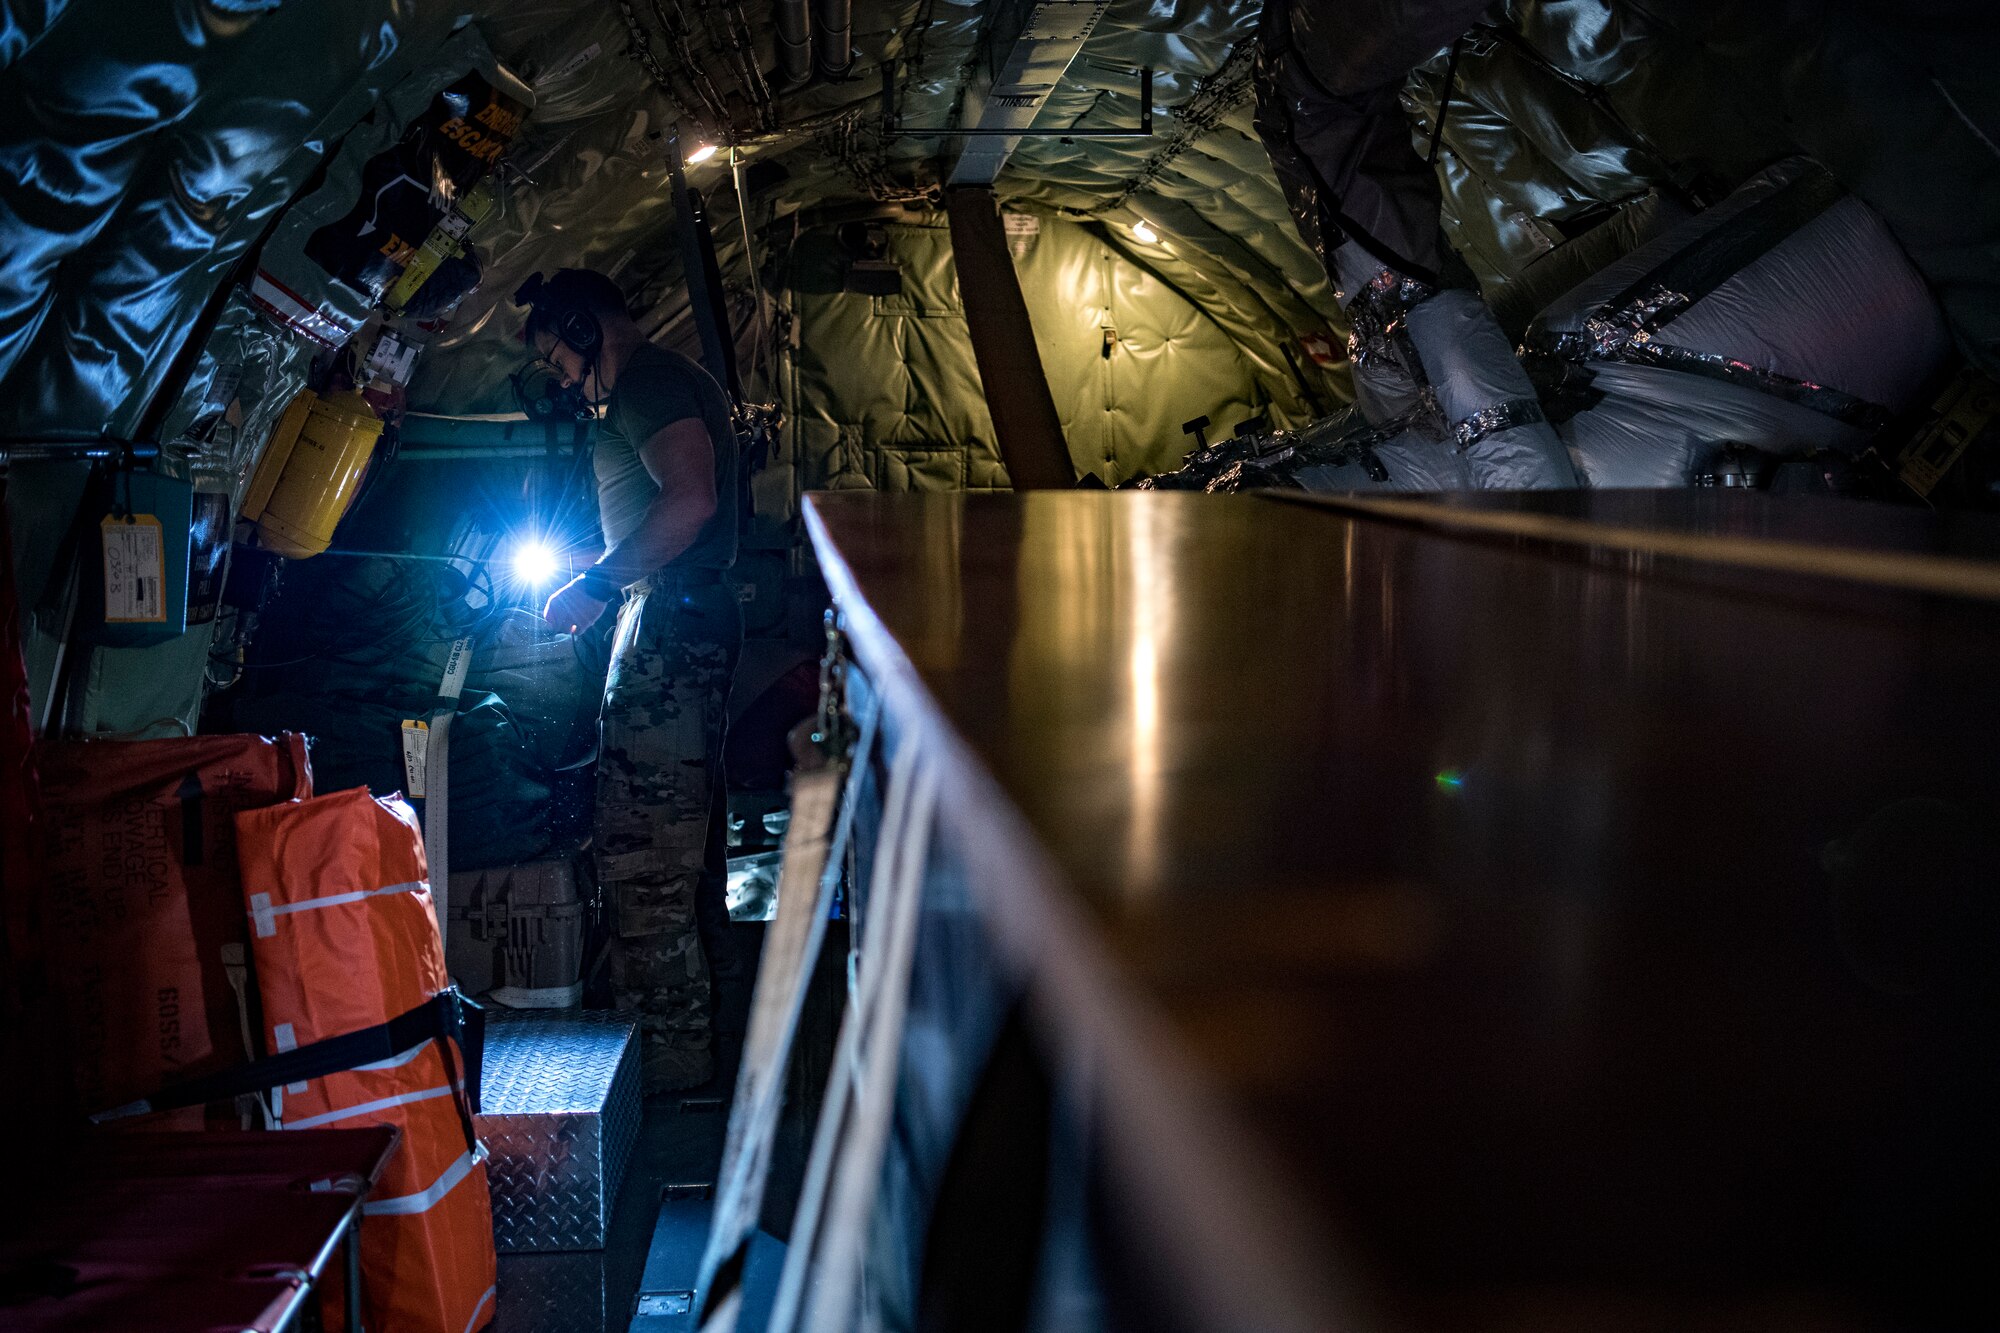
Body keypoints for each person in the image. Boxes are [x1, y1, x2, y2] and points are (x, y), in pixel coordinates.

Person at [516, 268, 742, 1093]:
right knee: (683, 845)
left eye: (560, 360)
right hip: (674, 614)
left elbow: (690, 502)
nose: (563, 382)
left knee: (647, 850)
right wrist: (600, 567)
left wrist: (599, 587)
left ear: (583, 329)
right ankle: (707, 1041)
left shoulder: (646, 379)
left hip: (669, 627)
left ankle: (672, 1068)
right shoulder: (661, 381)